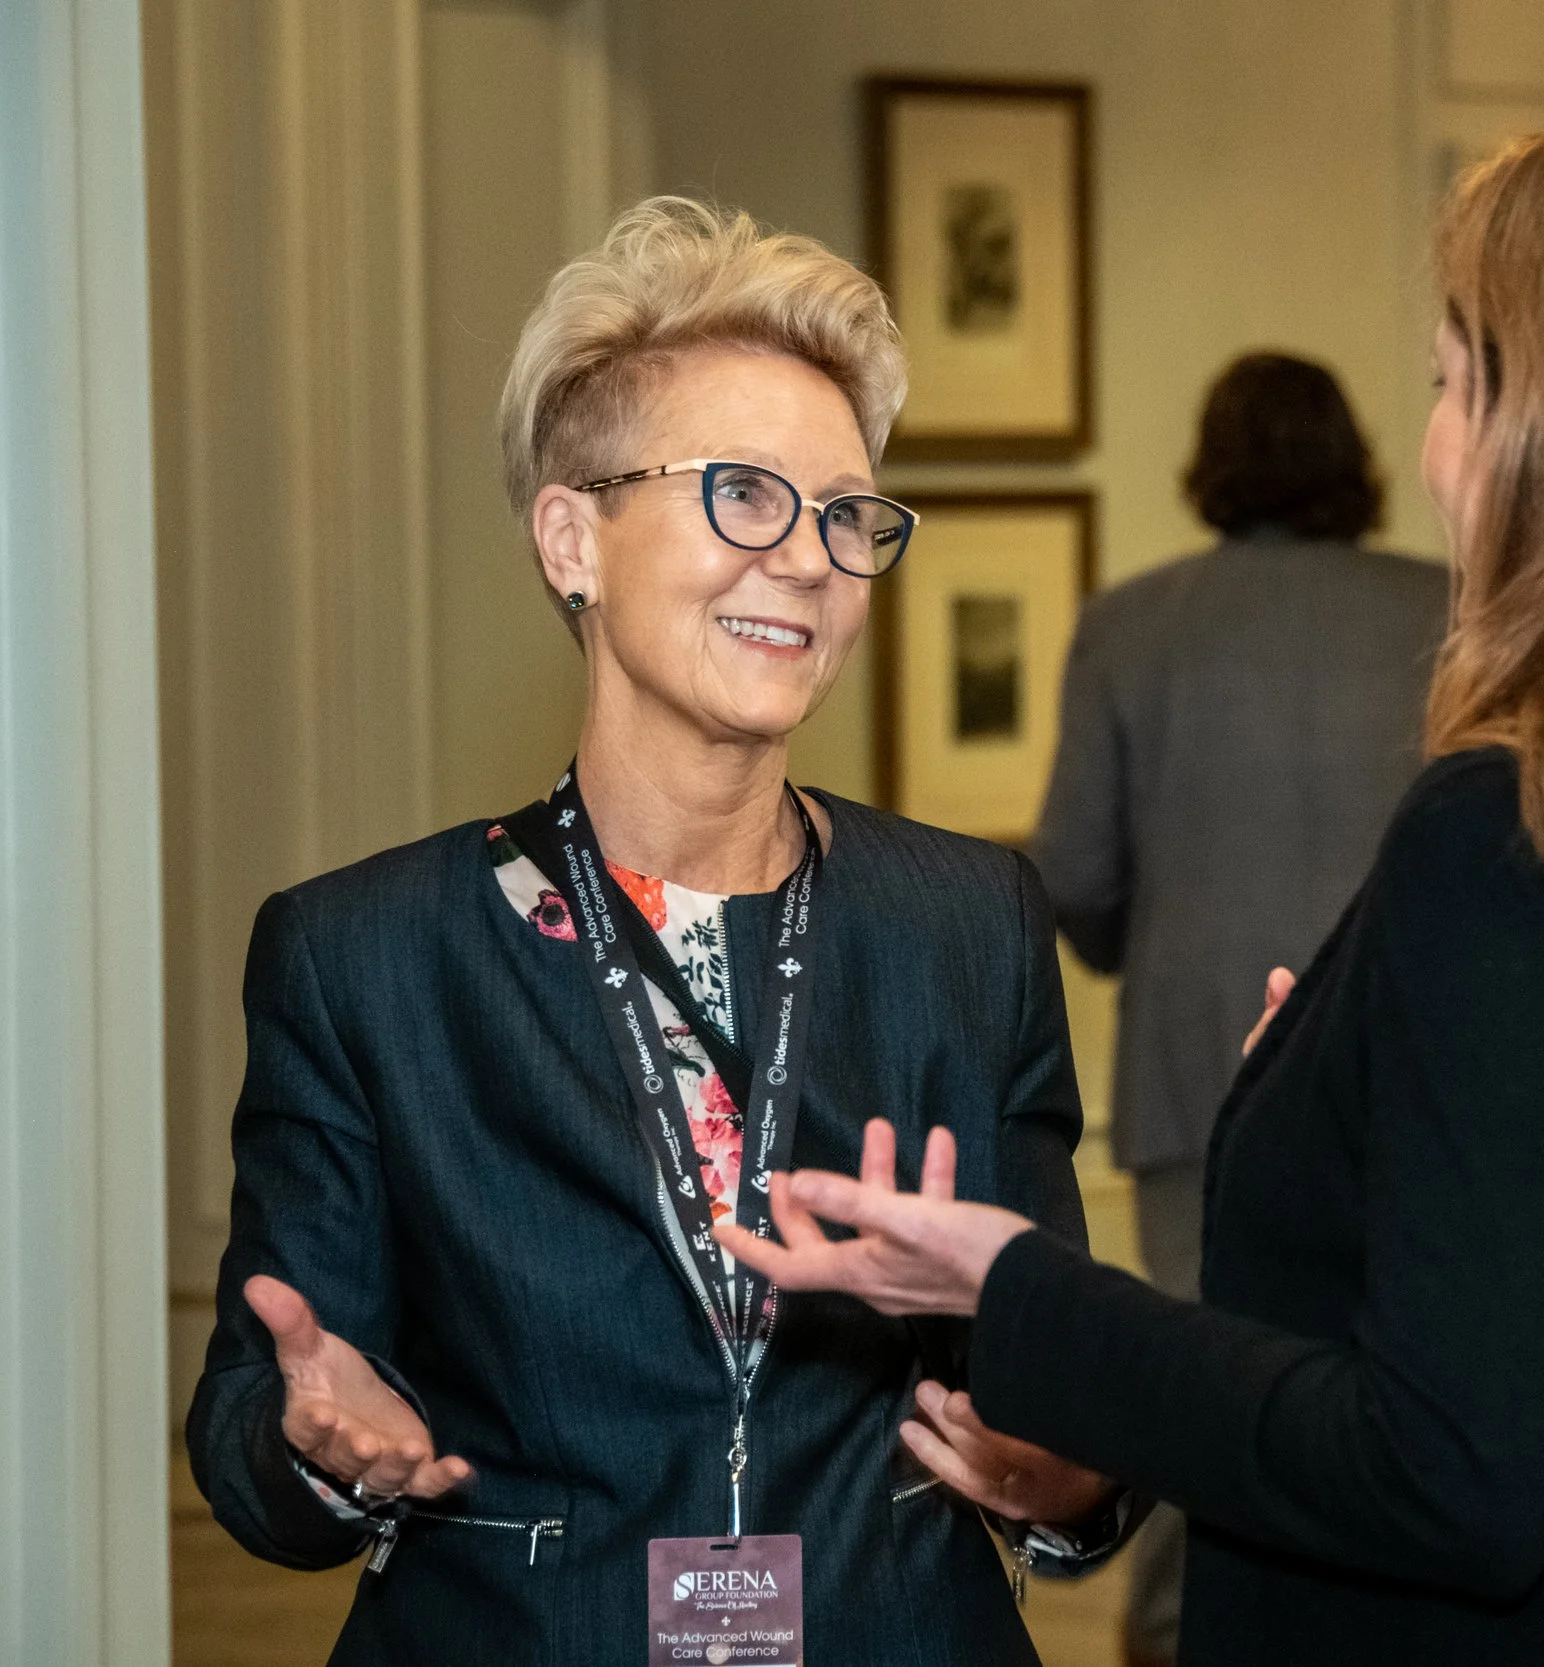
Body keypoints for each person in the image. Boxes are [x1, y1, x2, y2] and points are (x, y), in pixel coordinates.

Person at [718, 93, 1544, 1665]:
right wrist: (1355, 1108)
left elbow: (1450, 1473)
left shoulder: (1525, 832)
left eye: (1451, 383)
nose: (1437, 446)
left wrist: (1017, 1283)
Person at [186, 197, 1127, 1666]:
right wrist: (318, 1444)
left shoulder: (969, 920)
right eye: (743, 494)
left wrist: (1069, 1466)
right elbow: (258, 1414)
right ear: (574, 535)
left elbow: (1047, 1388)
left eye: (844, 515)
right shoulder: (362, 956)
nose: (810, 559)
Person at [1031, 350, 1445, 1665]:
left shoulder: (1132, 621)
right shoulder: (1455, 606)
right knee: (1408, 1389)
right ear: (1358, 456)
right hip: (1424, 1069)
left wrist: (1139, 938)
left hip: (1196, 1072)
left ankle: (1169, 1642)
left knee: (1203, 1391)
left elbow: (1074, 872)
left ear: (1209, 465)